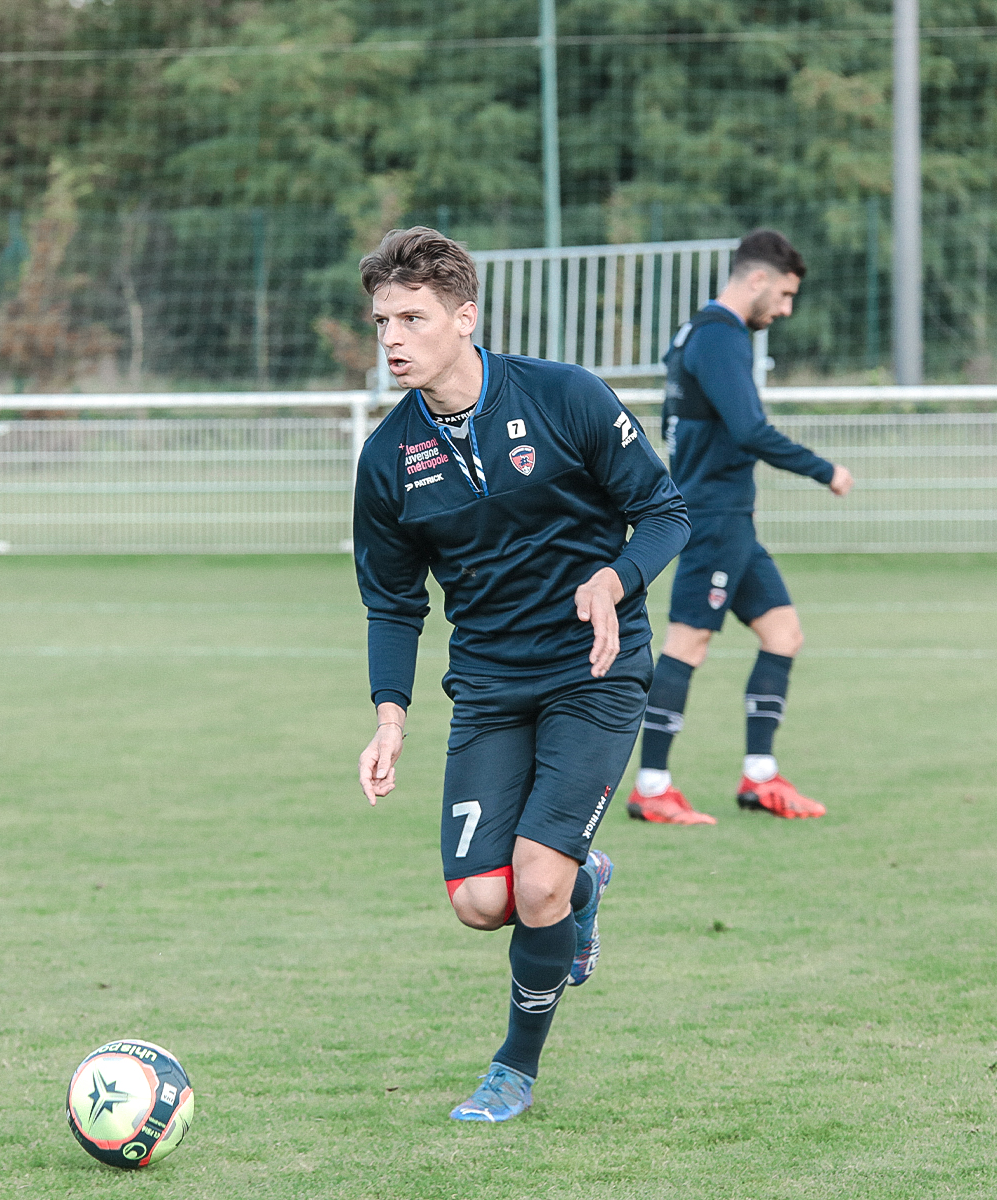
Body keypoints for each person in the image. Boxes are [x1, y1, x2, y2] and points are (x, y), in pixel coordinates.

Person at [352, 227, 690, 1122]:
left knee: (534, 881)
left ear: (465, 318)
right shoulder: (388, 459)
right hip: (492, 688)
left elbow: (663, 510)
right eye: (382, 319)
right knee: (480, 901)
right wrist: (391, 718)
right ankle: (586, 880)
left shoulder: (563, 396)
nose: (392, 338)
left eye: (412, 318)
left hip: (596, 672)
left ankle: (514, 1068)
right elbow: (394, 603)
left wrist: (615, 578)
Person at [625, 229, 853, 826]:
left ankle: (759, 778)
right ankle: (651, 786)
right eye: (782, 294)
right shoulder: (721, 339)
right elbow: (750, 429)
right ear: (756, 279)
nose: (784, 309)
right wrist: (823, 469)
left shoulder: (692, 333)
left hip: (731, 519)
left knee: (783, 633)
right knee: (687, 641)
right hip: (712, 517)